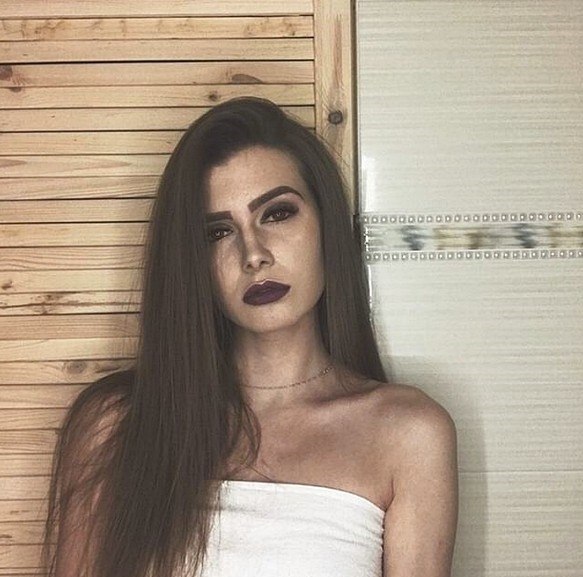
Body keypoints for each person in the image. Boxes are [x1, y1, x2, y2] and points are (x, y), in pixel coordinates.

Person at [41, 96, 458, 577]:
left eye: (277, 214)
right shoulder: (116, 426)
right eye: (218, 232)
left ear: (326, 226)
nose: (253, 254)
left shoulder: (408, 434)